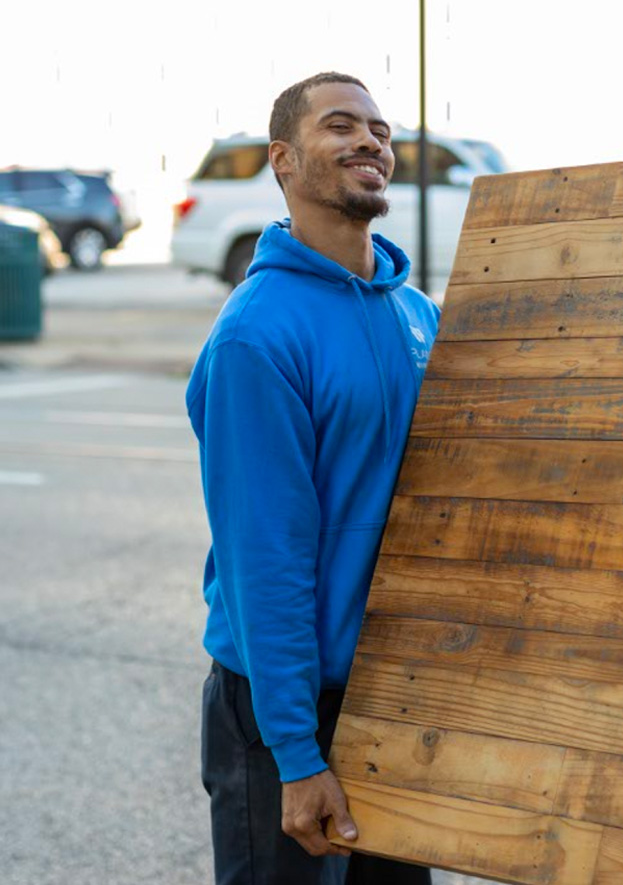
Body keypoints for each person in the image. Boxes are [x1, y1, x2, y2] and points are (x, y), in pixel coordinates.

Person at [186, 72, 439, 885]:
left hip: (392, 693)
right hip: (284, 706)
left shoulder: (417, 314)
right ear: (284, 161)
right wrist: (296, 752)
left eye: (380, 129)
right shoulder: (256, 338)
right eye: (342, 126)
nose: (371, 141)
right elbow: (268, 557)